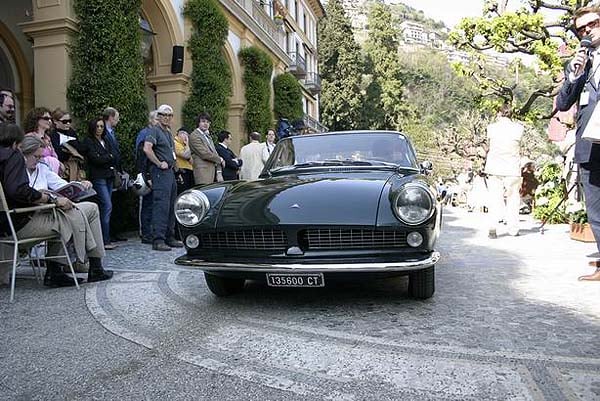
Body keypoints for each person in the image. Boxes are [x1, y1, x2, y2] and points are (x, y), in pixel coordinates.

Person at [0, 124, 112, 286]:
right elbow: (18, 190)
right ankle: (69, 267)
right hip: (20, 223)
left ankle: (80, 267)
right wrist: (48, 199)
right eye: (36, 157)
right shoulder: (14, 157)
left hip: (9, 222)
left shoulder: (11, 161)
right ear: (18, 145)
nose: (39, 161)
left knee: (71, 212)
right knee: (70, 215)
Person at [556, 5, 600, 281]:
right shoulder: (578, 64)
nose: (587, 31)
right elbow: (562, 103)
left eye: (593, 23)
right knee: (596, 209)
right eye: (581, 29)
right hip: (590, 145)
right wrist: (574, 75)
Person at [143, 104, 184, 251]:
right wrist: (159, 163)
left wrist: (176, 171)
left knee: (171, 204)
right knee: (161, 205)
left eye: (169, 115)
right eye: (163, 115)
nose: (166, 117)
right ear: (159, 116)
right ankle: (158, 239)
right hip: (160, 173)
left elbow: (171, 154)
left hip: (170, 173)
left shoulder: (167, 132)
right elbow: (147, 149)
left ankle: (169, 236)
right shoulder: (154, 131)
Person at [484, 104, 524, 238]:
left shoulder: (492, 128)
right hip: (512, 167)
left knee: (494, 198)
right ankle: (513, 228)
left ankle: (492, 227)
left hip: (495, 167)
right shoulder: (519, 128)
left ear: (499, 114)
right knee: (513, 198)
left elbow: (488, 146)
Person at [82, 117, 118, 250]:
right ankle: (104, 240)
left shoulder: (105, 140)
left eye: (102, 126)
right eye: (97, 126)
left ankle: (105, 238)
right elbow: (95, 159)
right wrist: (108, 157)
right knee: (106, 205)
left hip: (108, 176)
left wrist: (107, 157)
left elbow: (114, 155)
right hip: (98, 177)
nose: (99, 129)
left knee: (107, 207)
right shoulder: (89, 141)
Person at [102, 107, 128, 242]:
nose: (118, 120)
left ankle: (113, 232)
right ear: (111, 117)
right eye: (117, 117)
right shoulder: (104, 133)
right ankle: (107, 236)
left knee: (115, 202)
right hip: (108, 172)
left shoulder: (112, 132)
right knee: (108, 204)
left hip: (115, 171)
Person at [135, 110, 159, 244]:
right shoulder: (145, 134)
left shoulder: (156, 133)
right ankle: (145, 233)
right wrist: (146, 175)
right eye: (156, 119)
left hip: (155, 173)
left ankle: (151, 232)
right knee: (147, 205)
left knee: (154, 204)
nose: (158, 121)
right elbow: (141, 157)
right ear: (150, 120)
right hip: (147, 174)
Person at [49, 108, 86, 182]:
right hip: (61, 168)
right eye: (64, 121)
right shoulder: (53, 135)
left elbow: (81, 149)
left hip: (75, 167)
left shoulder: (71, 132)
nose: (68, 124)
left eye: (69, 121)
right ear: (55, 121)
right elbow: (58, 154)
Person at [189, 112, 224, 184]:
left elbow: (214, 153)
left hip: (212, 172)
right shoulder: (194, 135)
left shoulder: (208, 137)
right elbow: (204, 154)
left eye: (208, 122)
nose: (206, 124)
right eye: (203, 121)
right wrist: (220, 159)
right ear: (198, 123)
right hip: (203, 173)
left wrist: (219, 171)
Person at [23, 107, 61, 174]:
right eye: (46, 118)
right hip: (36, 172)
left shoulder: (47, 138)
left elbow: (55, 156)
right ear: (36, 120)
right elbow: (27, 157)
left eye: (50, 119)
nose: (49, 121)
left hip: (50, 173)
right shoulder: (30, 137)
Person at [173, 127, 194, 193]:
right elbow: (186, 155)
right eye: (183, 133)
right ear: (177, 134)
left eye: (187, 135)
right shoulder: (175, 143)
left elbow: (191, 161)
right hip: (181, 170)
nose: (185, 136)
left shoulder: (184, 145)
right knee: (182, 192)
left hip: (189, 170)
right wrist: (187, 145)